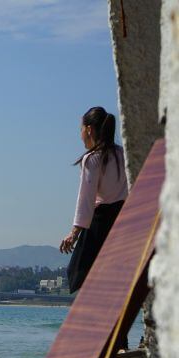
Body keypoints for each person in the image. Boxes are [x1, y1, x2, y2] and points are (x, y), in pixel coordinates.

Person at [60, 106, 129, 292]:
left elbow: (86, 199)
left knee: (79, 273)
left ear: (89, 129)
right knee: (112, 277)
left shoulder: (92, 159)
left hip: (99, 222)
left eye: (81, 130)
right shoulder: (123, 154)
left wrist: (73, 234)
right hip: (122, 220)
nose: (80, 135)